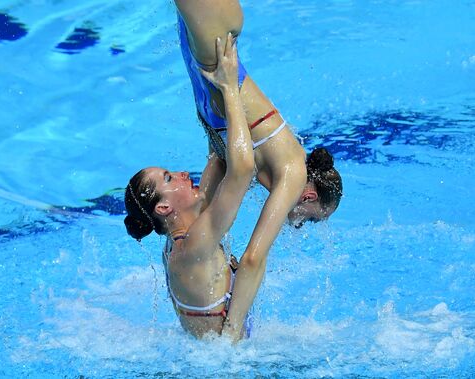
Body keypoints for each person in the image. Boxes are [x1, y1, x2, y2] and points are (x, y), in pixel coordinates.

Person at [173, 0, 343, 340]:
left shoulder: (255, 162)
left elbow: (205, 203)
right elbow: (253, 259)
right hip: (215, 43)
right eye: (310, 217)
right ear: (309, 195)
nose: (298, 224)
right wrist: (232, 333)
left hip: (203, 54)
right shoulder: (293, 171)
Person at [124, 34, 254, 338]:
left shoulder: (181, 239)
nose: (183, 173)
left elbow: (218, 158)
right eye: (170, 178)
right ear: (164, 207)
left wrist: (204, 79)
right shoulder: (194, 247)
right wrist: (229, 88)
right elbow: (243, 169)